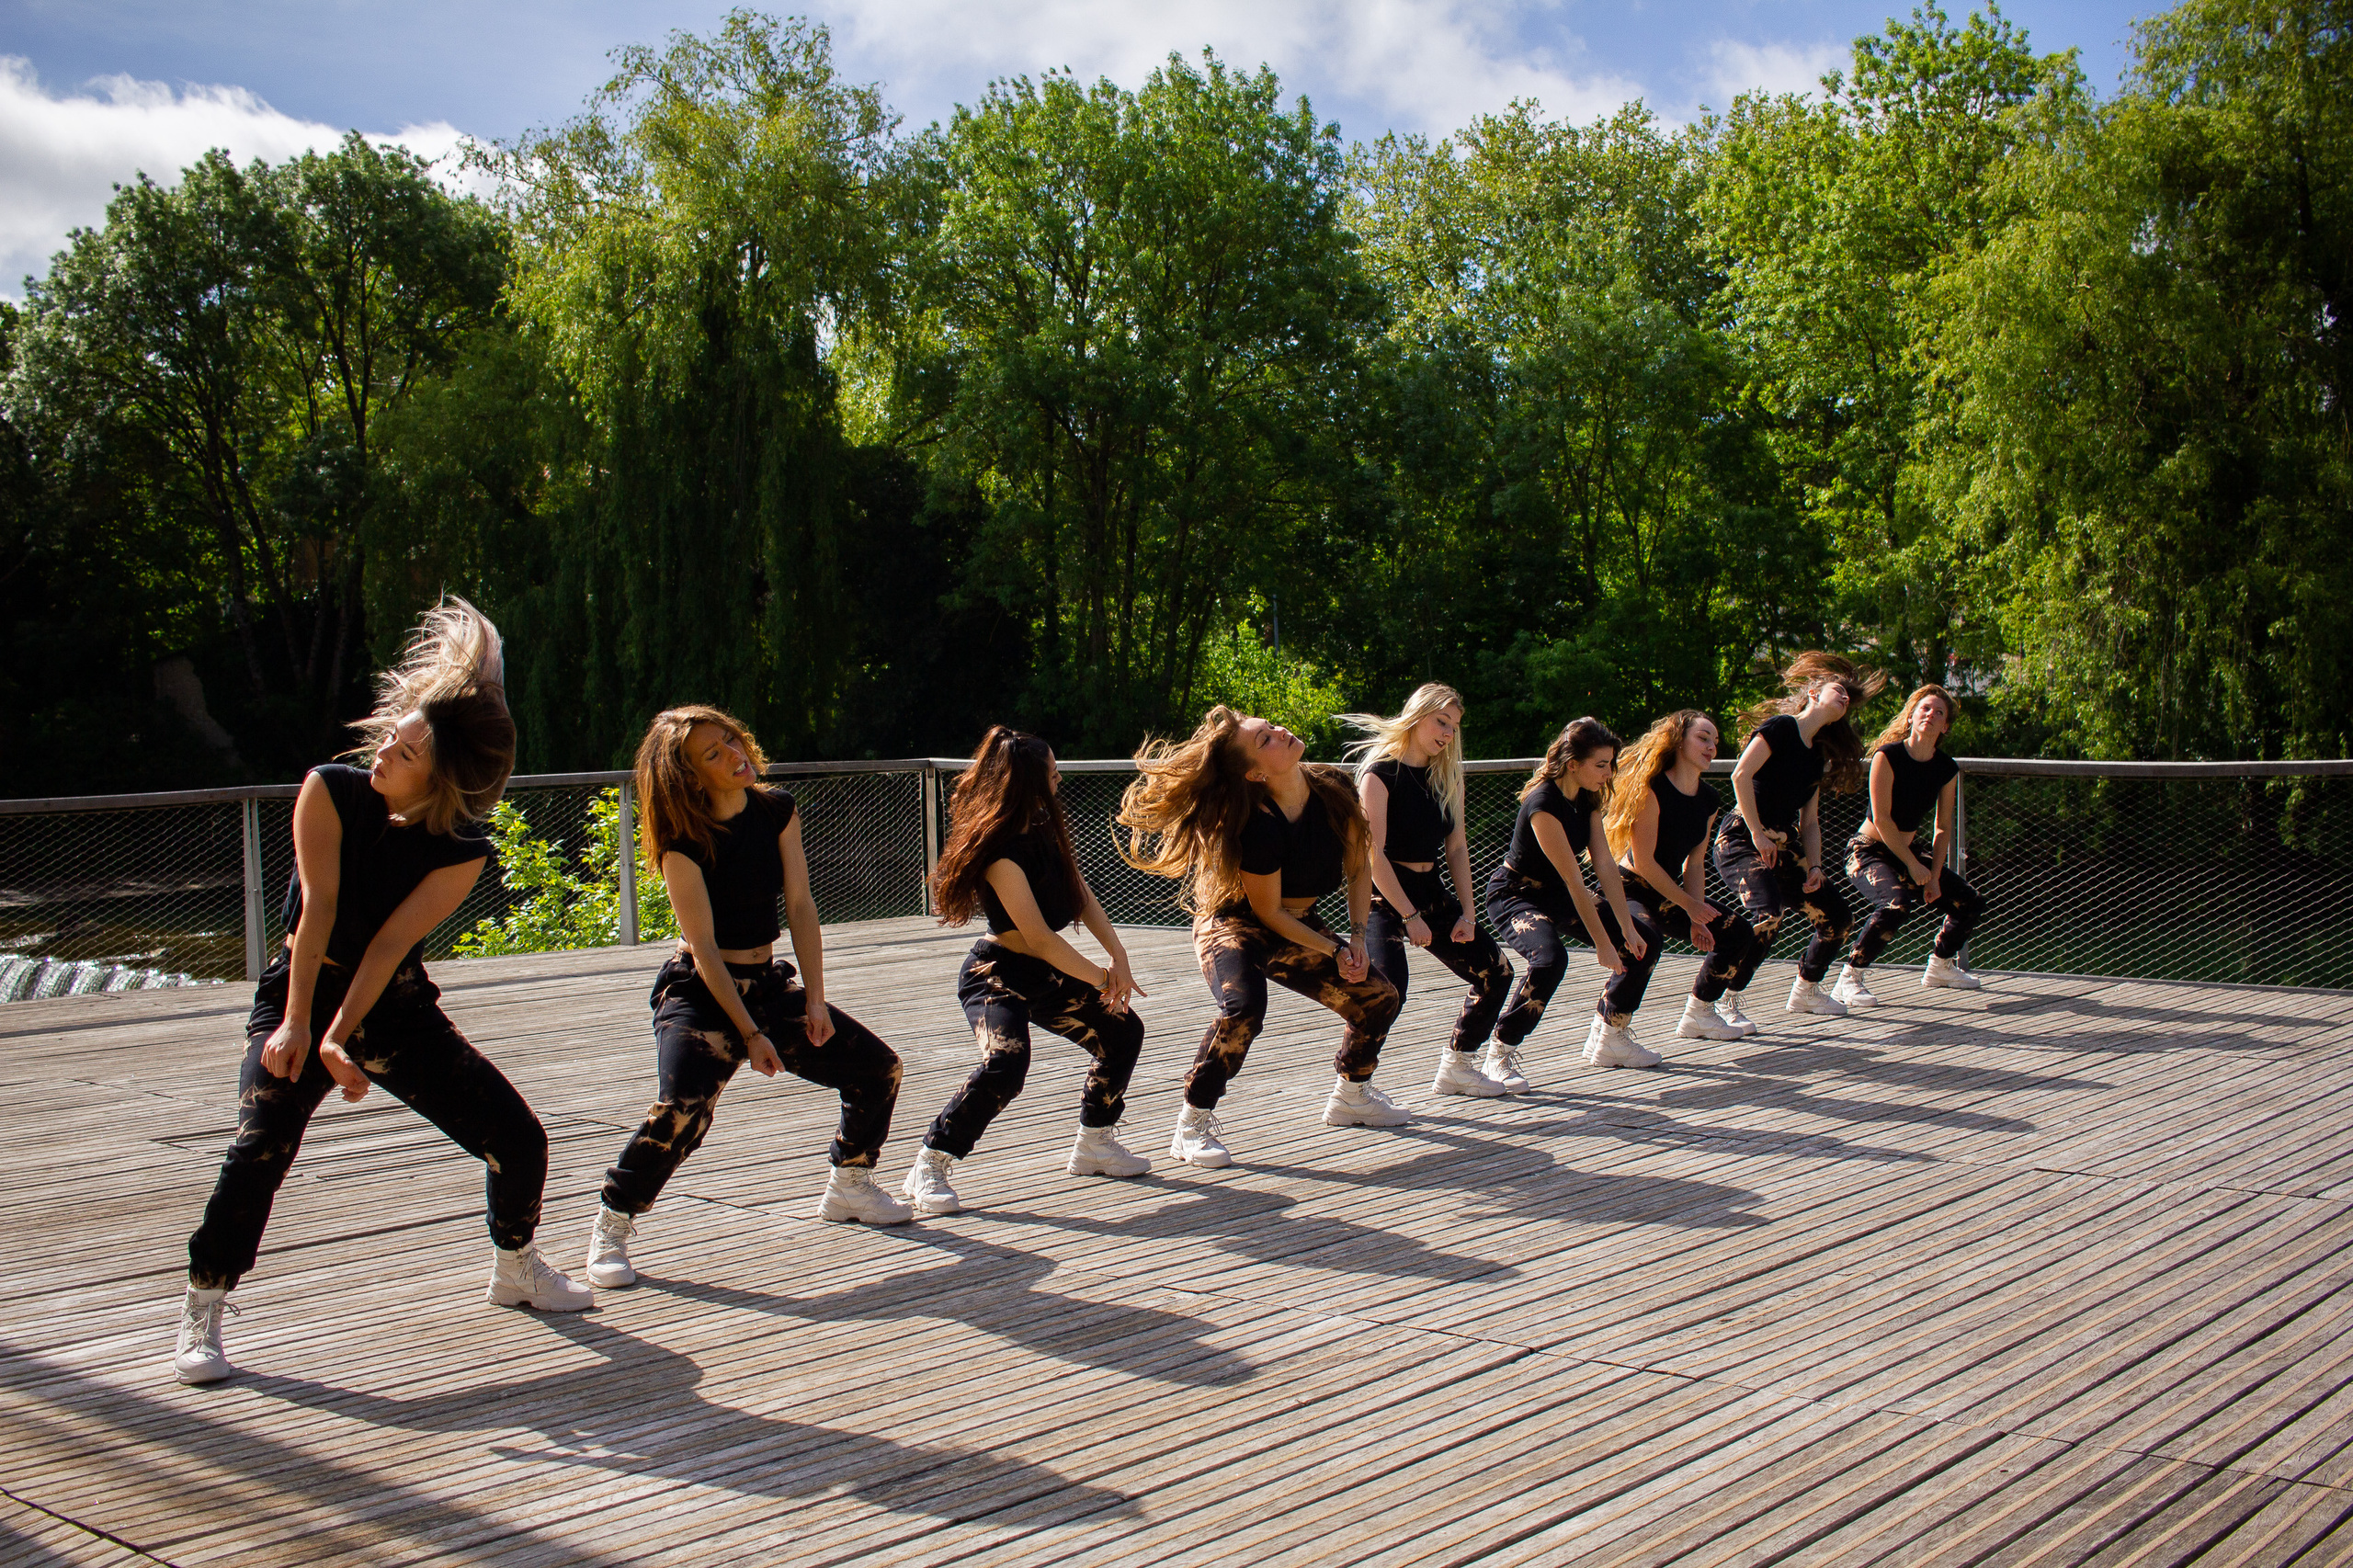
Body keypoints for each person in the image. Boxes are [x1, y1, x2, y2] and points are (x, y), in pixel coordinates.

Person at [174, 599, 588, 1387]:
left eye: (403, 755)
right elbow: (320, 918)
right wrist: (302, 1027)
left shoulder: (460, 849)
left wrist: (343, 1036)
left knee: (519, 1138)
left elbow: (392, 944)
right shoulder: (328, 791)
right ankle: (204, 1308)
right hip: (301, 984)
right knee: (259, 1147)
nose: (383, 757)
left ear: (441, 779)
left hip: (390, 1003)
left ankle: (516, 1266)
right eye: (391, 739)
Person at [583, 706, 911, 1291]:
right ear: (688, 776)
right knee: (685, 1105)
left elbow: (803, 907)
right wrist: (751, 1035)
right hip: (701, 993)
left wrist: (814, 999)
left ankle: (850, 1184)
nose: (736, 755)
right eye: (714, 754)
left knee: (877, 1067)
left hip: (767, 986)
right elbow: (703, 947)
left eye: (731, 740)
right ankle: (614, 1221)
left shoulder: (775, 808)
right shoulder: (682, 842)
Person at [1117, 707, 1404, 1164]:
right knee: (1243, 1007)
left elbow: (1356, 868)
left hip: (1297, 920)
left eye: (1273, 728)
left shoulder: (1332, 787)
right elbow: (1267, 913)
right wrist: (1333, 948)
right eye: (1265, 739)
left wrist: (1357, 936)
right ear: (1253, 772)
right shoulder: (1259, 823)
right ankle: (1192, 1123)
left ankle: (1352, 1094)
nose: (1281, 733)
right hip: (1233, 923)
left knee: (1379, 997)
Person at [900, 727, 1152, 1214]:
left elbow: (1080, 893)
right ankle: (930, 1163)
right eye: (1052, 773)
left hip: (1045, 973)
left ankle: (1095, 1143)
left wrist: (1118, 957)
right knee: (1006, 1062)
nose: (1059, 779)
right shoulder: (998, 851)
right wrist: (1101, 979)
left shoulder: (1045, 827)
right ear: (1026, 784)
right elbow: (1037, 937)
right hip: (997, 974)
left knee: (1122, 1032)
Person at [1345, 684, 1516, 1098]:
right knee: (1388, 992)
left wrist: (1468, 915)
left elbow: (1456, 849)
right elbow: (1373, 857)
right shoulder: (1379, 774)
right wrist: (1408, 915)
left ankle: (1459, 1066)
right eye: (1442, 721)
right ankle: (1351, 1089)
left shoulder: (1446, 777)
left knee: (1497, 973)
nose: (1448, 733)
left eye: (1455, 726)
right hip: (1384, 896)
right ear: (1417, 716)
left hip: (1430, 890)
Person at [1713, 652, 1885, 1021]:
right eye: (1838, 690)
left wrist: (1815, 866)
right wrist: (1757, 833)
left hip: (1783, 845)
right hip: (1742, 838)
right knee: (1767, 912)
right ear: (1812, 692)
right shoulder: (1780, 728)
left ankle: (1806, 991)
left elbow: (1809, 823)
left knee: (1837, 918)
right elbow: (1740, 776)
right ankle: (1723, 1000)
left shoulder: (1816, 757)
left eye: (1848, 699)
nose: (1844, 699)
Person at [1482, 718, 1649, 1087]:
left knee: (1644, 942)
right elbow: (1575, 881)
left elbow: (1604, 864)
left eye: (1610, 765)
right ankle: (1501, 1049)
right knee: (1550, 959)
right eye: (1601, 765)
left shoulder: (1587, 796)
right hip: (1516, 894)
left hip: (1556, 892)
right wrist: (1604, 945)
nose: (1608, 774)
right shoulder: (1543, 803)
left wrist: (1625, 928)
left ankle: (1610, 1036)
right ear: (1573, 764)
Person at [1598, 710, 1758, 1065]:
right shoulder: (1652, 789)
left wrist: (1698, 916)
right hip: (1631, 888)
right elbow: (1643, 863)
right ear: (1679, 739)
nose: (1712, 746)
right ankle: (1609, 1034)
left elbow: (1695, 862)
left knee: (1735, 932)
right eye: (1703, 737)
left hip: (1670, 890)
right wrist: (1689, 906)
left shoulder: (1709, 799)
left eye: (1715, 741)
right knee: (1645, 940)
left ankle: (1699, 1013)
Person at [1831, 684, 1989, 1005]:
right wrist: (1914, 866)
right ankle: (1849, 977)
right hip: (1868, 850)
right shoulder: (1887, 756)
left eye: (1939, 712)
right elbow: (1883, 820)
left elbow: (1943, 827)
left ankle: (1940, 966)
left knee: (1969, 902)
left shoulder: (1946, 768)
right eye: (1925, 708)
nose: (1930, 715)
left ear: (1945, 726)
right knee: (1895, 904)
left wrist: (1932, 875)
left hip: (1910, 853)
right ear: (1912, 716)